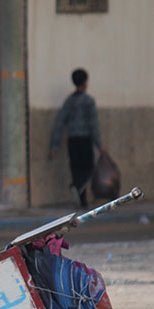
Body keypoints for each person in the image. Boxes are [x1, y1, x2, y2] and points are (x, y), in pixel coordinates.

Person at [48, 68, 106, 208]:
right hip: (85, 139)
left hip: (72, 140)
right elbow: (94, 125)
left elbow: (60, 122)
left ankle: (81, 198)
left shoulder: (69, 101)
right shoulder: (88, 101)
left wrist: (54, 146)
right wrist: (100, 145)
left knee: (76, 168)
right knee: (88, 168)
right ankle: (77, 187)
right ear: (85, 82)